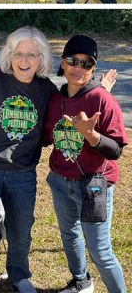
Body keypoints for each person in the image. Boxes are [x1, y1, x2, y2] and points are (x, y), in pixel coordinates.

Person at [0, 27, 115, 293]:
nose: (24, 61)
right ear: (9, 55)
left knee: (21, 229)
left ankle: (19, 275)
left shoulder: (46, 90)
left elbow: (70, 109)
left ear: (42, 59)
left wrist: (98, 92)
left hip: (22, 172)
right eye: (19, 54)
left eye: (32, 55)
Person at [43, 35, 127, 293]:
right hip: (59, 181)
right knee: (69, 236)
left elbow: (116, 150)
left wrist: (91, 135)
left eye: (86, 63)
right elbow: (47, 137)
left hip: (92, 186)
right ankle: (81, 282)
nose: (78, 68)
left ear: (93, 68)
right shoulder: (55, 100)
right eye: (72, 61)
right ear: (62, 62)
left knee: (100, 251)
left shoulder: (102, 100)